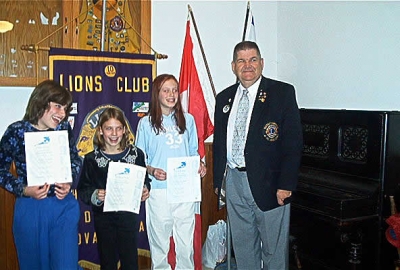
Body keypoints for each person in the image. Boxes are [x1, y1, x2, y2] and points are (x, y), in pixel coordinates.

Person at [213, 41, 303, 270]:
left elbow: (293, 143)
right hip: (234, 182)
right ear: (233, 66)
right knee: (243, 249)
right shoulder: (223, 98)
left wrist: (286, 184)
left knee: (273, 250)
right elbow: (220, 143)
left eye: (253, 59)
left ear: (262, 63)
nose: (247, 66)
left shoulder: (281, 93)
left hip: (271, 184)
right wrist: (218, 182)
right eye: (241, 61)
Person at [0, 79, 82, 269]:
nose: (62, 114)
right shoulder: (16, 131)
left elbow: (75, 160)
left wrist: (69, 183)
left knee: (66, 265)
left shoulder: (64, 129)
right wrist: (24, 190)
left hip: (63, 207)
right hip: (31, 208)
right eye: (58, 106)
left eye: (66, 109)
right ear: (41, 101)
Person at [135, 74, 206, 269]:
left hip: (184, 190)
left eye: (174, 90)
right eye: (166, 90)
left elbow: (193, 152)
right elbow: (140, 160)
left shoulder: (188, 120)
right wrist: (152, 170)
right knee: (159, 243)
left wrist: (200, 165)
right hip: (158, 190)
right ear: (157, 94)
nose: (172, 94)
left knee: (185, 244)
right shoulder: (146, 124)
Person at [77, 107, 151, 270]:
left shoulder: (136, 154)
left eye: (118, 128)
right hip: (104, 219)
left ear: (124, 130)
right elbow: (83, 189)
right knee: (107, 260)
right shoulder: (92, 159)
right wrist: (95, 194)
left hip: (128, 218)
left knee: (130, 261)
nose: (114, 133)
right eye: (109, 128)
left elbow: (144, 179)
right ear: (100, 131)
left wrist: (145, 189)